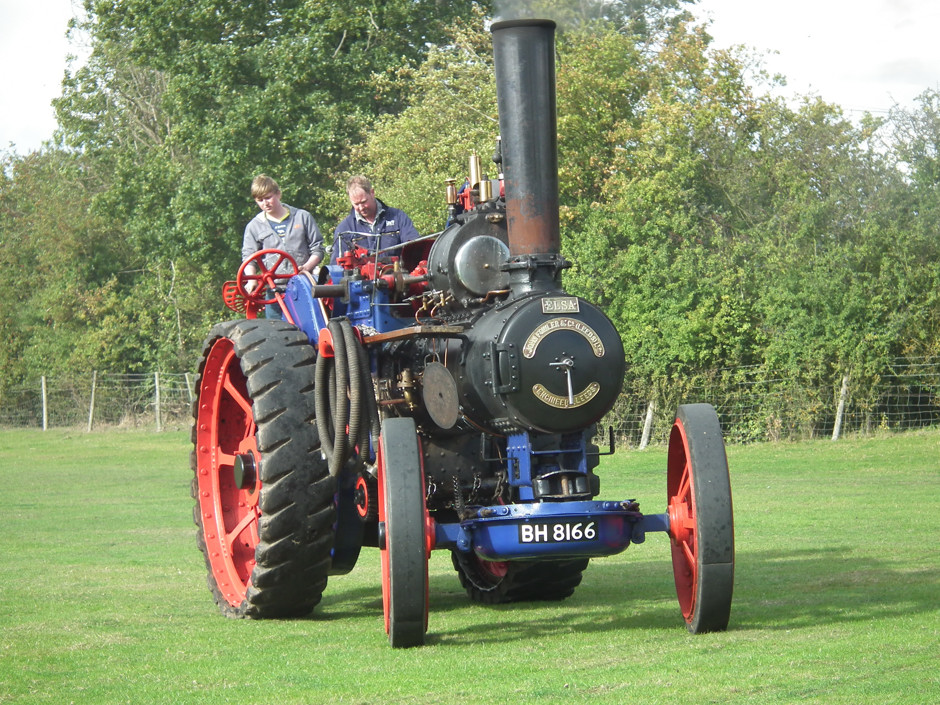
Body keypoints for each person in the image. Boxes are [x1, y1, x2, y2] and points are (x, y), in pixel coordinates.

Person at [241, 174, 325, 318]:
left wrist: (306, 267)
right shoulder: (254, 226)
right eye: (260, 200)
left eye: (268, 197)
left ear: (278, 194)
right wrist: (251, 279)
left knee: (310, 322)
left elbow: (318, 248)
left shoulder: (302, 217)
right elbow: (249, 258)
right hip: (274, 288)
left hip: (304, 285)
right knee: (275, 328)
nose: (265, 203)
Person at [330, 175, 420, 264]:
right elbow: (337, 266)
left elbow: (415, 248)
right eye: (356, 204)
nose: (361, 207)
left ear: (372, 193)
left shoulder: (398, 217)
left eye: (363, 202)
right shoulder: (344, 229)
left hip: (398, 272)